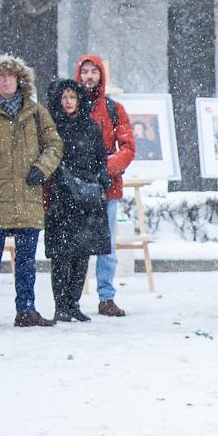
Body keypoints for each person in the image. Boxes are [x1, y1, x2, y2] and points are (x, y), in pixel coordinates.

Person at [0, 54, 63, 332]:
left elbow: (54, 145)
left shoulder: (36, 112)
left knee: (27, 260)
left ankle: (26, 309)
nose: (6, 80)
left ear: (20, 79)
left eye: (10, 75)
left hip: (28, 197)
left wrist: (42, 168)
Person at [44, 78, 113, 322]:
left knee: (83, 252)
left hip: (86, 198)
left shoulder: (90, 126)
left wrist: (103, 176)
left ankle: (74, 303)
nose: (68, 102)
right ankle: (60, 304)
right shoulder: (52, 128)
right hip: (62, 197)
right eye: (63, 98)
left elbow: (99, 157)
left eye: (72, 97)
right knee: (62, 254)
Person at [74, 54, 135, 317]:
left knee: (106, 245)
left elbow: (128, 147)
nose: (89, 77)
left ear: (101, 76)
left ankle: (106, 296)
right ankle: (70, 298)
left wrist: (105, 169)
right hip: (76, 187)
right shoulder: (70, 107)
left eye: (93, 72)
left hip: (107, 187)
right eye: (84, 71)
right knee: (75, 244)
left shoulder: (114, 109)